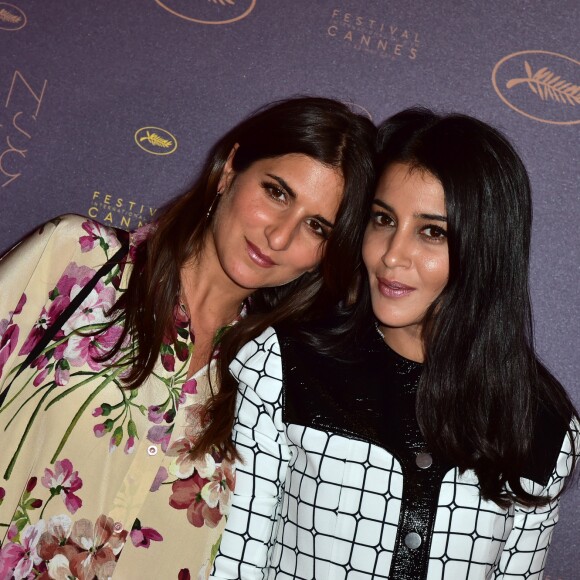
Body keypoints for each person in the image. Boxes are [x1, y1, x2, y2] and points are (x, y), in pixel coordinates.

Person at [0, 97, 376, 579]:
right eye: (277, 193)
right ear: (230, 171)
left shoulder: (271, 388)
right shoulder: (77, 261)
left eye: (316, 226)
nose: (280, 237)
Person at [209, 108, 579, 579]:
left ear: (486, 250)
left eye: (432, 232)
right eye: (383, 220)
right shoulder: (283, 362)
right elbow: (235, 565)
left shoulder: (544, 426)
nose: (391, 255)